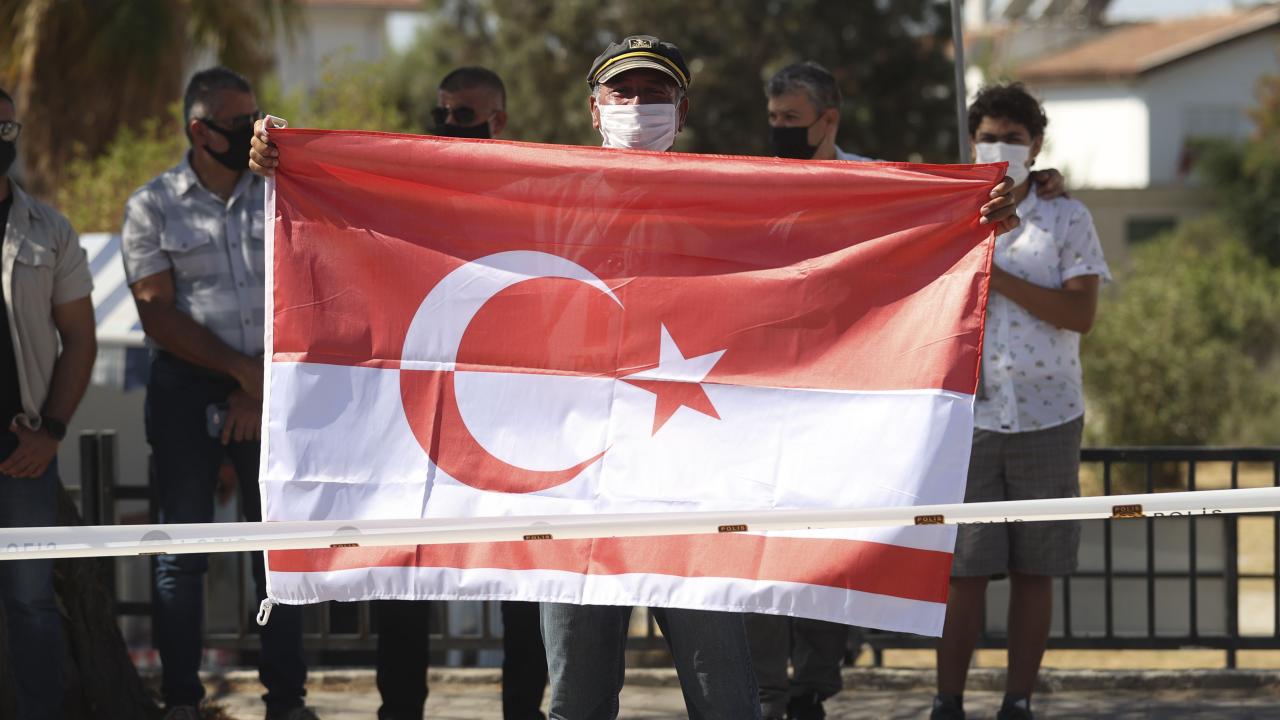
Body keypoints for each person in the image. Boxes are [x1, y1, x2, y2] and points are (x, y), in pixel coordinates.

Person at [249, 36, 1022, 720]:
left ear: (681, 112)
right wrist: (298, 167)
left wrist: (966, 217)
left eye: (656, 92)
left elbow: (839, 247)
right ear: (595, 108)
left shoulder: (736, 198)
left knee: (726, 698)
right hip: (576, 494)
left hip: (692, 486)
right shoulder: (538, 193)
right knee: (578, 699)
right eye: (624, 91)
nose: (638, 105)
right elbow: (417, 207)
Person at [751, 60, 1053, 720]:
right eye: (773, 119)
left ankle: (812, 686)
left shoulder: (880, 183)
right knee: (766, 543)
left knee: (830, 544)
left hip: (849, 395)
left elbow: (953, 216)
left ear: (828, 120)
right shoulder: (755, 183)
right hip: (767, 394)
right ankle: (767, 689)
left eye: (791, 119)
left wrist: (1010, 196)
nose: (778, 130)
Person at [121, 67, 319, 720]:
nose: (252, 131)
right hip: (187, 388)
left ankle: (286, 702)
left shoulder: (282, 192)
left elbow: (310, 285)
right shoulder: (151, 206)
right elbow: (157, 315)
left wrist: (259, 386)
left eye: (255, 118)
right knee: (181, 555)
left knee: (278, 554)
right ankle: (181, 702)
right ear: (200, 132)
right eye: (238, 124)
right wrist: (241, 373)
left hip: (275, 383)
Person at [366, 65, 547, 720]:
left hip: (513, 412)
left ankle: (524, 711)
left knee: (522, 579)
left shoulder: (532, 191)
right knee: (405, 573)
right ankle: (399, 711)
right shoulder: (407, 186)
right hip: (422, 407)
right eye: (441, 113)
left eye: (462, 115)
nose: (447, 125)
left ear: (499, 121)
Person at [932, 82, 1110, 720]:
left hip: (1047, 414)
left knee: (1037, 569)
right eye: (989, 137)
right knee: (965, 570)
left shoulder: (1067, 217)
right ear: (971, 141)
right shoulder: (950, 209)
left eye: (1013, 137)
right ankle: (948, 701)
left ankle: (1018, 701)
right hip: (970, 416)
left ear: (1036, 144)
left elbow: (1080, 313)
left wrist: (997, 275)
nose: (1000, 147)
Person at [0, 87, 97, 720]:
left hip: (24, 450)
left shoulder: (49, 229)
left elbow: (80, 338)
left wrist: (52, 430)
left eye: (7, 128)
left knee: (31, 598)